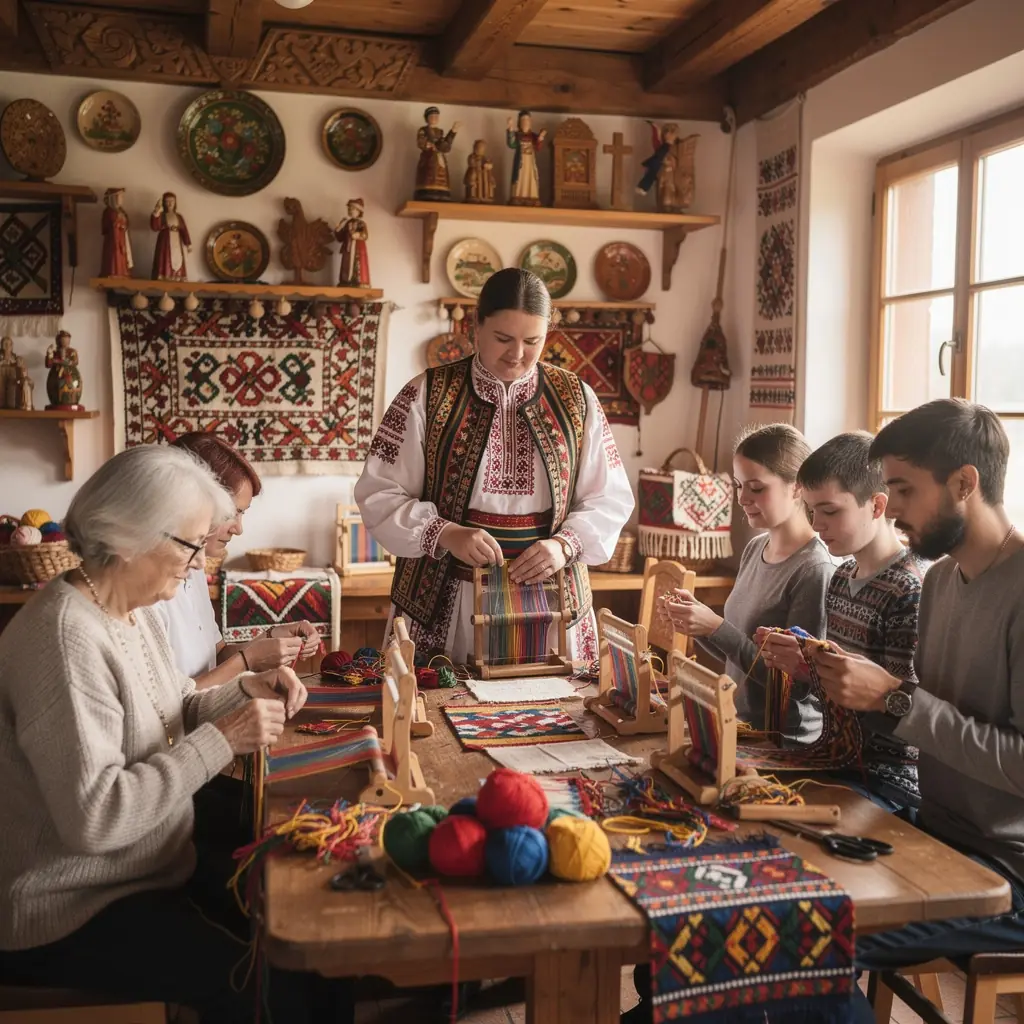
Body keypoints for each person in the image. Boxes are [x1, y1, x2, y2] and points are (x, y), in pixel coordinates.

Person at [0, 445, 349, 1024]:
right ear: (130, 535)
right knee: (275, 986)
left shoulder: (122, 608)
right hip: (69, 904)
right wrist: (225, 738)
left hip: (142, 866)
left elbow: (174, 707)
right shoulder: (66, 636)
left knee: (305, 931)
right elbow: (96, 819)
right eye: (190, 545)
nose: (197, 564)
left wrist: (249, 690)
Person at [789, 401, 1024, 1023]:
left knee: (802, 943)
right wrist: (842, 682)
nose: (888, 504)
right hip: (935, 835)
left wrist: (893, 697)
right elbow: (917, 721)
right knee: (765, 907)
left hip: (1007, 871)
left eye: (902, 489)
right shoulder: (944, 581)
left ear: (964, 484)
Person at [354, 267, 634, 666]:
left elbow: (610, 497)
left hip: (553, 600)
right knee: (439, 714)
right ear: (476, 327)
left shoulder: (577, 399)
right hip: (445, 602)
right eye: (503, 338)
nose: (516, 354)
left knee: (558, 719)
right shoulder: (426, 394)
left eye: (532, 341)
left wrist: (563, 545)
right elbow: (378, 493)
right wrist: (445, 533)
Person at [758, 431, 926, 811]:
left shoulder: (908, 590)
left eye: (830, 511)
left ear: (878, 506)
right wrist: (805, 668)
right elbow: (838, 699)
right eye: (812, 511)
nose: (817, 525)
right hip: (836, 763)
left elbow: (906, 718)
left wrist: (817, 671)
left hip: (887, 781)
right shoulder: (841, 577)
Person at [664, 423, 834, 742]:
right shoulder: (756, 547)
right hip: (738, 726)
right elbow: (739, 651)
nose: (742, 498)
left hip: (784, 742)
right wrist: (695, 623)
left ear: (797, 487)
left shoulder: (815, 569)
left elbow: (796, 687)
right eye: (739, 485)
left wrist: (715, 626)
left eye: (756, 487)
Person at [155, 433, 319, 689]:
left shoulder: (196, 569)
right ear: (191, 502)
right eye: (232, 513)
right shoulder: (147, 591)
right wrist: (249, 660)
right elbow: (166, 703)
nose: (238, 529)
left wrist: (272, 637)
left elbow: (217, 656)